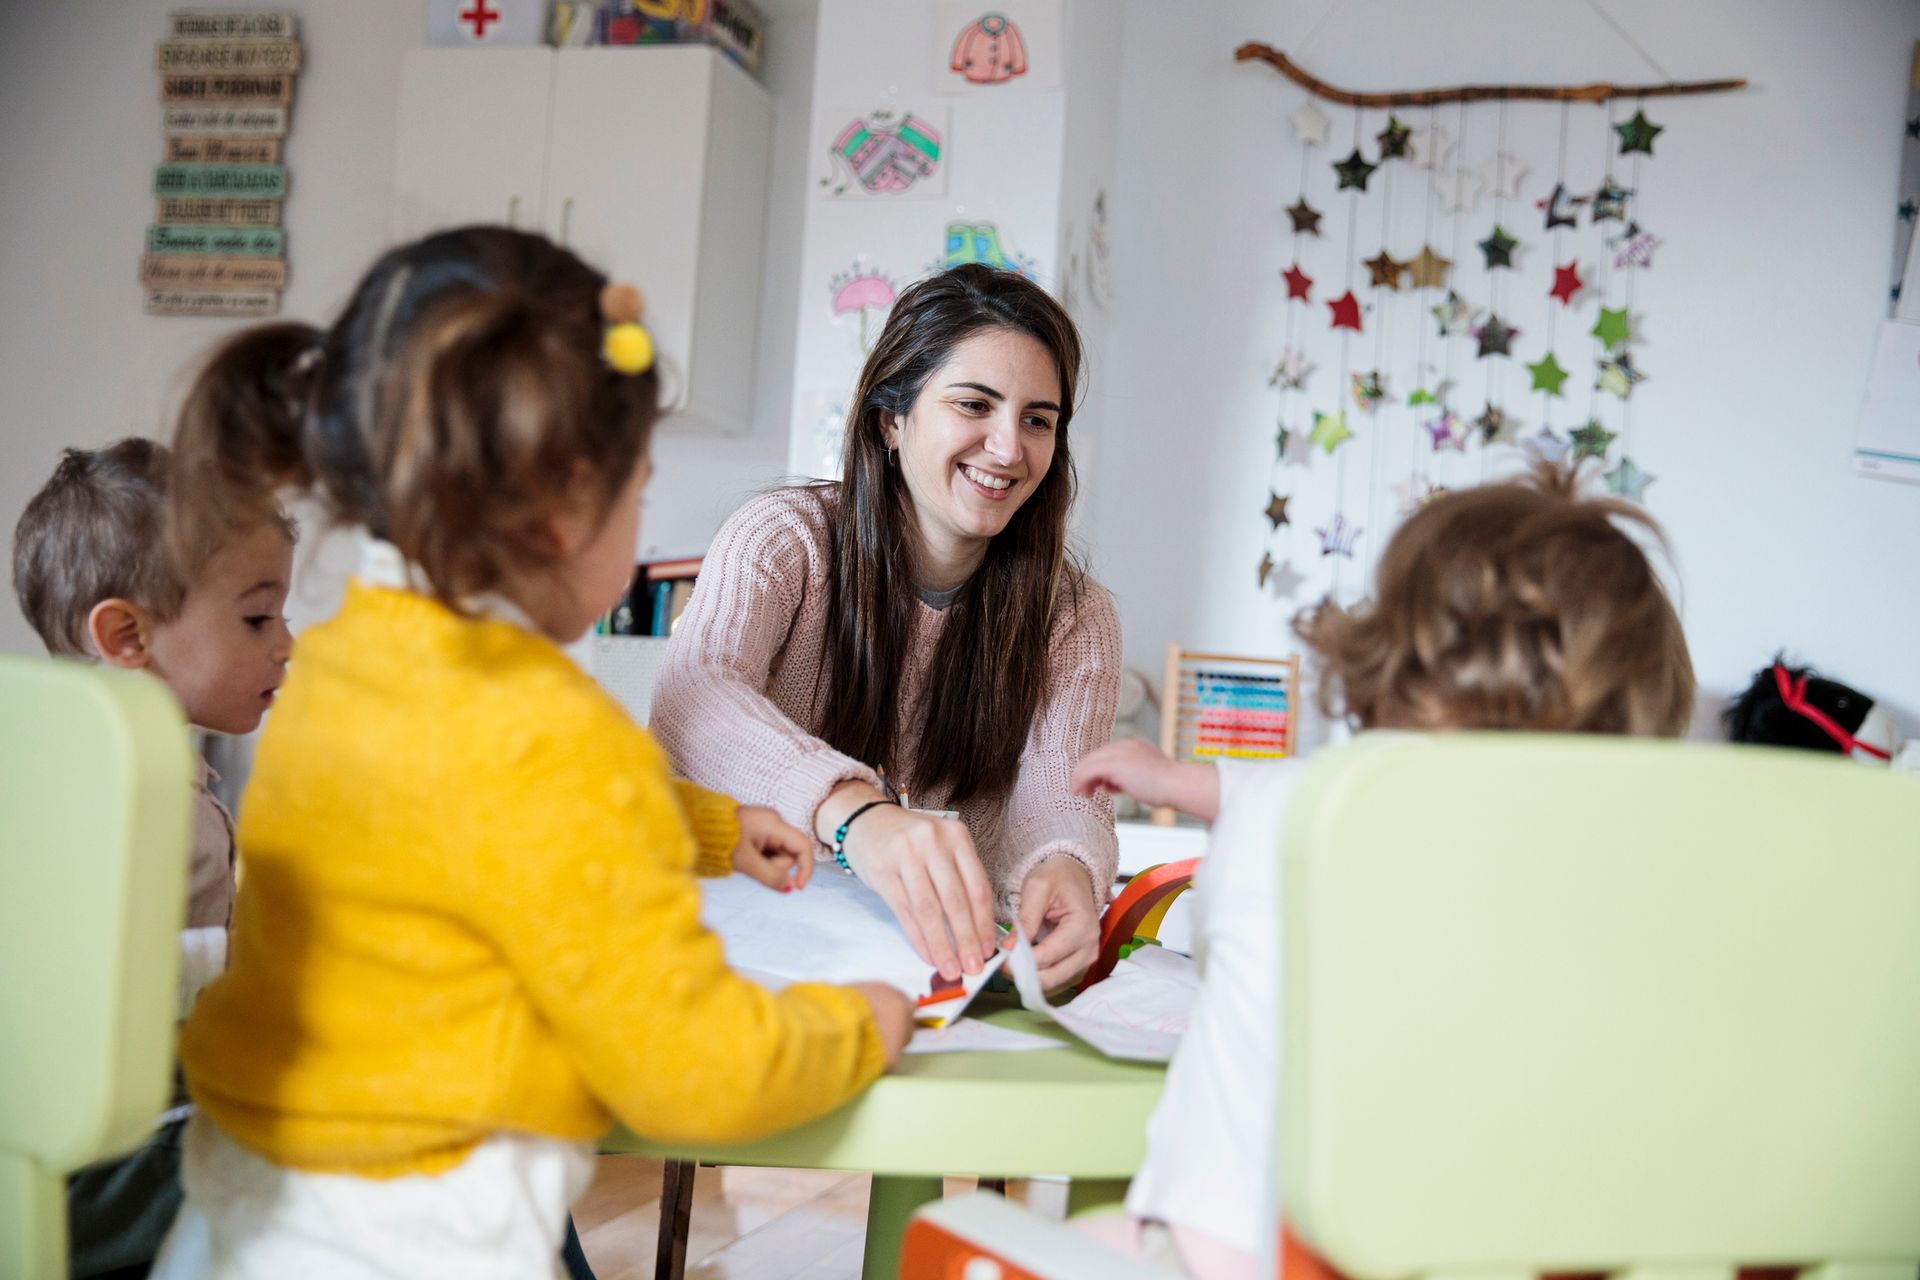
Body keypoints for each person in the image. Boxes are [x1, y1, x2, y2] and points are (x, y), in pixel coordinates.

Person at [148, 226, 913, 1278]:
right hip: (417, 1233)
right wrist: (858, 1024)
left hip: (237, 1200)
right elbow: (687, 1065)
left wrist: (714, 829)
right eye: (640, 488)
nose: (643, 527)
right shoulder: (553, 733)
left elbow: (472, 819)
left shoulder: (339, 664)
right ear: (562, 510)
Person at [1070, 465, 1697, 1278]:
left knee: (1084, 1242)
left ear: (1396, 643)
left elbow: (1283, 802)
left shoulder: (1304, 811)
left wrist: (1199, 788)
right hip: (1493, 1257)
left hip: (1236, 1253)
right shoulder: (1628, 861)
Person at [652, 264, 1122, 992]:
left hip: (924, 975)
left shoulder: (1075, 616)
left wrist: (1063, 864)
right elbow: (695, 696)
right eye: (975, 405)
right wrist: (855, 815)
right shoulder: (785, 539)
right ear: (891, 421)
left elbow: (1061, 799)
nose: (1008, 447)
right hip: (732, 952)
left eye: (1038, 419)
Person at [11, 436, 294, 1277]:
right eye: (256, 617)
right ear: (127, 634)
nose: (288, 642)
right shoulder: (103, 795)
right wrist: (242, 962)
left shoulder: (129, 767)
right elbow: (73, 981)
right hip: (100, 1161)